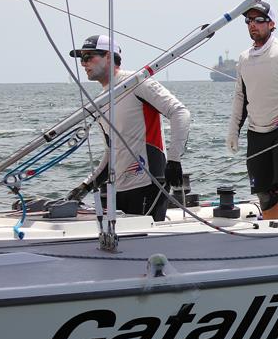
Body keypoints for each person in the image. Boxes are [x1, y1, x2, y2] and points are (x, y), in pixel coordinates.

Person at [66, 35, 190, 221]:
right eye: (81, 59)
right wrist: (85, 187)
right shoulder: (101, 101)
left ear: (108, 56)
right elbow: (111, 152)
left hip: (149, 183)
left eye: (88, 57)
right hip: (117, 189)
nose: (83, 64)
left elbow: (180, 113)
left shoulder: (136, 82)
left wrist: (174, 160)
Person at [226, 0, 278, 219]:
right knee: (265, 193)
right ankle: (273, 237)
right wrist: (233, 130)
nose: (253, 24)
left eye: (259, 20)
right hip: (256, 133)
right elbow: (240, 96)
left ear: (271, 24)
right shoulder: (244, 58)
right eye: (249, 21)